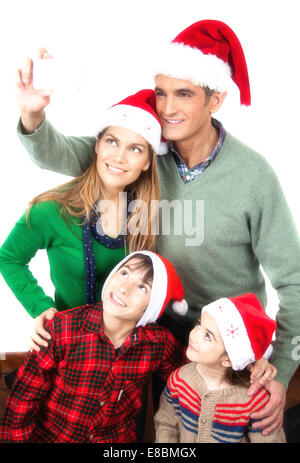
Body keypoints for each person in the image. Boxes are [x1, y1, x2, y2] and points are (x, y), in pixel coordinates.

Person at [13, 21, 300, 435]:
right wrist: (33, 113)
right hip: (153, 347)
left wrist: (283, 372)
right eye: (161, 92)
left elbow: (293, 282)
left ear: (215, 98)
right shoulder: (142, 153)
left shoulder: (254, 176)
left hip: (227, 357)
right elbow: (63, 152)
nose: (166, 109)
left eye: (184, 94)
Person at [0, 88, 165, 352]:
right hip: (68, 351)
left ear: (147, 162)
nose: (119, 157)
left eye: (135, 149)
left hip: (128, 356)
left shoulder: (149, 213)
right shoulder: (53, 208)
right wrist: (40, 307)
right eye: (112, 141)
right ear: (97, 145)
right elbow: (8, 258)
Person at [0, 251, 189, 443]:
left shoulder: (158, 343)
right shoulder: (61, 329)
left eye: (142, 287)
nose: (124, 288)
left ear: (152, 306)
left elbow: (189, 374)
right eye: (124, 273)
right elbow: (23, 400)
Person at [154, 293, 286, 443]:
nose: (194, 335)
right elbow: (166, 422)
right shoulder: (179, 379)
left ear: (229, 360)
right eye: (199, 324)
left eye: (208, 336)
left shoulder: (255, 401)